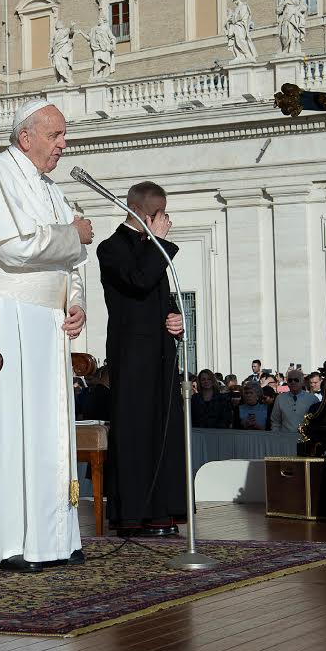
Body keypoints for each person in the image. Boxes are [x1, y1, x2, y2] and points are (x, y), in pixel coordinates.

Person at [0, 98, 92, 572]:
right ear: (26, 137)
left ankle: (51, 539)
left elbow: (72, 263)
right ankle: (4, 541)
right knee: (7, 426)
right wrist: (72, 234)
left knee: (47, 430)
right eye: (55, 135)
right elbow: (13, 248)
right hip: (1, 316)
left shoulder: (53, 190)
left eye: (63, 135)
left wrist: (76, 302)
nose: (63, 144)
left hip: (46, 324)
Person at [96, 181, 186, 537]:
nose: (165, 221)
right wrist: (159, 242)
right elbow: (138, 281)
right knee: (135, 432)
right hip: (131, 354)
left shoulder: (153, 249)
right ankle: (132, 515)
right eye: (159, 214)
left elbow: (159, 297)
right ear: (141, 212)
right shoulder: (111, 248)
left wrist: (175, 317)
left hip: (161, 353)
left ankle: (161, 512)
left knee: (161, 429)